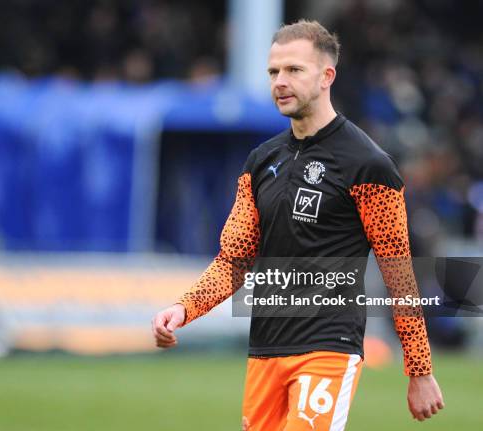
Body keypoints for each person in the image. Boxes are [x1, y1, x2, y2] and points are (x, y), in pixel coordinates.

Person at [151, 20, 444, 431]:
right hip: (265, 349)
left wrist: (420, 370)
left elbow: (398, 273)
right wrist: (184, 308)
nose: (280, 82)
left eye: (294, 70)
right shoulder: (260, 162)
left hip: (328, 346)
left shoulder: (368, 164)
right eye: (274, 72)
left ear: (327, 76)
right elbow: (234, 260)